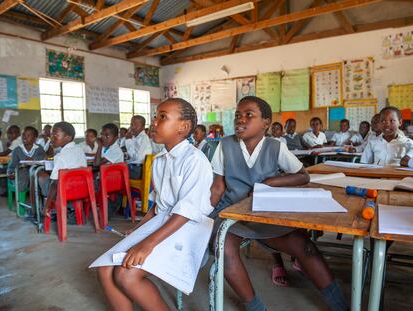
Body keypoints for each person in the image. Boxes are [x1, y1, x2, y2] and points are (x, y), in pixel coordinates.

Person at [210, 96, 348, 311]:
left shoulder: (275, 146)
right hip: (231, 214)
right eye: (238, 115)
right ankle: (256, 307)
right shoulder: (224, 145)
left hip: (265, 212)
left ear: (265, 123)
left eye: (249, 115)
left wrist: (270, 182)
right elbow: (217, 187)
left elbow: (303, 176)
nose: (240, 120)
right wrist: (202, 215)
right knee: (223, 249)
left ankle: (340, 306)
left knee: (305, 247)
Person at [97, 98, 213, 311]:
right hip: (163, 224)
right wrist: (138, 230)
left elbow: (185, 213)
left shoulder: (194, 160)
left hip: (188, 229)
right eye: (155, 117)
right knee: (105, 267)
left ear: (183, 127)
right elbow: (158, 205)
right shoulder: (160, 159)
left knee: (126, 274)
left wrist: (147, 243)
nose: (154, 122)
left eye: (162, 117)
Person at [38, 122, 87, 218]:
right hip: (81, 189)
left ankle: (43, 210)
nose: (52, 138)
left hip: (64, 192)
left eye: (56, 135)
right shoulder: (79, 149)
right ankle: (70, 209)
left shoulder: (61, 156)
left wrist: (47, 205)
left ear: (68, 137)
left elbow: (54, 184)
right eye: (51, 134)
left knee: (40, 175)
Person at [7, 126, 46, 195]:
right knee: (23, 182)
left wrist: (34, 159)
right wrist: (10, 173)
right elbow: (12, 165)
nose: (25, 137)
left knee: (41, 180)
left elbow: (43, 157)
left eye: (28, 135)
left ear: (34, 138)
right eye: (23, 135)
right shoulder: (17, 150)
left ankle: (40, 200)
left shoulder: (39, 148)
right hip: (21, 174)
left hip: (36, 173)